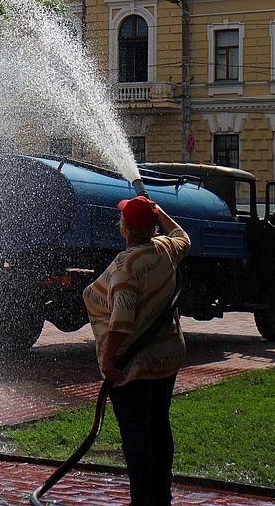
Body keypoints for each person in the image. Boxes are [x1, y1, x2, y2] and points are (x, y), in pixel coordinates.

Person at [83, 194, 190, 506]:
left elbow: (121, 322)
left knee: (137, 436)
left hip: (134, 366)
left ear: (124, 229)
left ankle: (143, 500)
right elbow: (182, 236)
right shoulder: (165, 249)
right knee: (159, 425)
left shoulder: (125, 266)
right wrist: (160, 212)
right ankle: (161, 497)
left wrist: (107, 360)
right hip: (167, 357)